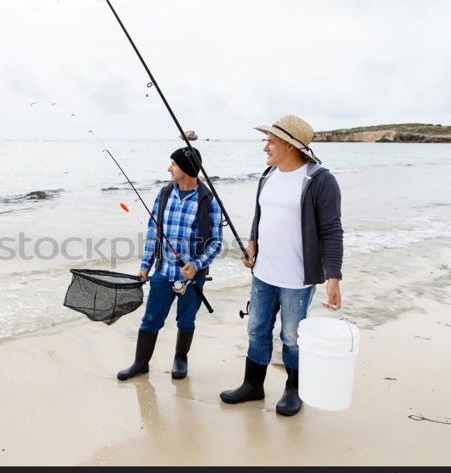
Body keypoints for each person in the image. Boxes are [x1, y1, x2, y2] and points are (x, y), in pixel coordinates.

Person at [219, 115, 343, 416]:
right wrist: (252, 245)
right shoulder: (268, 175)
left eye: (271, 141)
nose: (265, 147)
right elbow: (259, 216)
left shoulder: (319, 180)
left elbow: (331, 230)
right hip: (263, 273)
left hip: (297, 279)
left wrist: (333, 277)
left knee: (291, 336)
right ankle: (253, 385)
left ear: (290, 145)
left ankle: (293, 390)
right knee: (257, 329)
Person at [117, 147, 223, 381]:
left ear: (186, 168)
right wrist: (145, 266)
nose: (169, 169)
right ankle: (140, 363)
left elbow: (216, 242)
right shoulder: (164, 194)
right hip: (163, 273)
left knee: (186, 320)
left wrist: (196, 265)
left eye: (173, 164)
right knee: (151, 319)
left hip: (192, 277)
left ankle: (180, 359)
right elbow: (153, 233)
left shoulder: (208, 201)